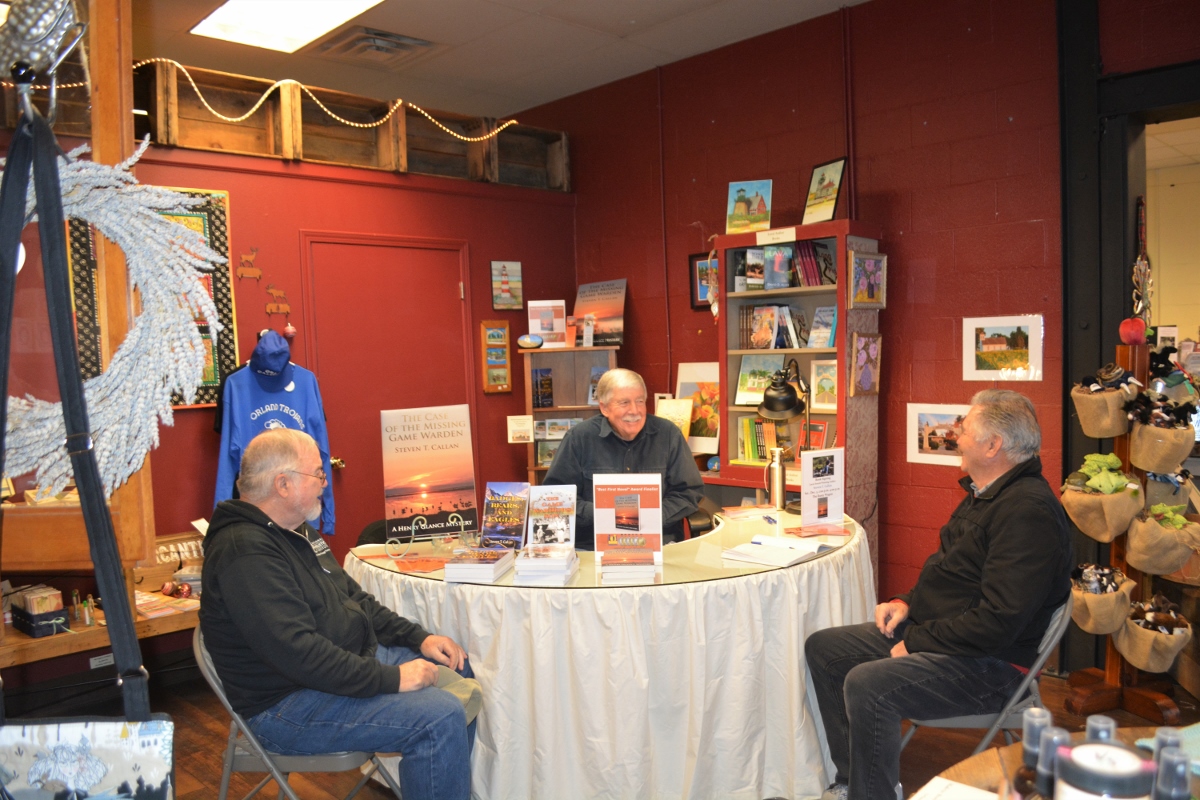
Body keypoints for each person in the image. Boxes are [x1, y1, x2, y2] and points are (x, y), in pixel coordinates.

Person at [805, 390, 1071, 800]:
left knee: (868, 682)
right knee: (825, 648)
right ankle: (851, 780)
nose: (956, 435)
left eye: (965, 428)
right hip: (948, 636)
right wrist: (905, 601)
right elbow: (950, 573)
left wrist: (916, 641)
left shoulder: (1027, 513)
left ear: (993, 445)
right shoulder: (988, 493)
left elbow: (998, 623)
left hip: (992, 666)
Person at [200, 428, 479, 800]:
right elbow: (299, 654)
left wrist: (420, 639)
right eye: (317, 472)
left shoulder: (297, 532)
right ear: (283, 484)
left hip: (335, 668)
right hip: (287, 705)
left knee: (456, 665)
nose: (324, 481)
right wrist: (392, 678)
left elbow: (356, 600)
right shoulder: (245, 552)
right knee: (439, 715)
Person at [545, 368, 704, 549]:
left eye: (640, 401)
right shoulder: (578, 438)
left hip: (658, 543)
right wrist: (603, 515)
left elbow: (689, 492)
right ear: (604, 407)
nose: (634, 411)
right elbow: (557, 498)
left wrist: (652, 517)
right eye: (624, 403)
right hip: (593, 545)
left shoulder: (668, 435)